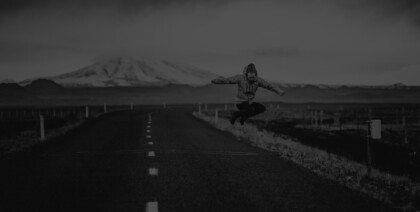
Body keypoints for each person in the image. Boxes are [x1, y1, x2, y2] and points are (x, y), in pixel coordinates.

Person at [211, 63, 285, 125]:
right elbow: (228, 80)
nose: (252, 79)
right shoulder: (240, 78)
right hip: (240, 101)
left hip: (249, 102)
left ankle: (244, 117)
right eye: (250, 78)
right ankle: (235, 114)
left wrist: (279, 91)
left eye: (253, 77)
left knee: (262, 108)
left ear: (255, 75)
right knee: (251, 109)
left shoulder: (258, 80)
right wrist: (217, 80)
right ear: (246, 75)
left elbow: (269, 86)